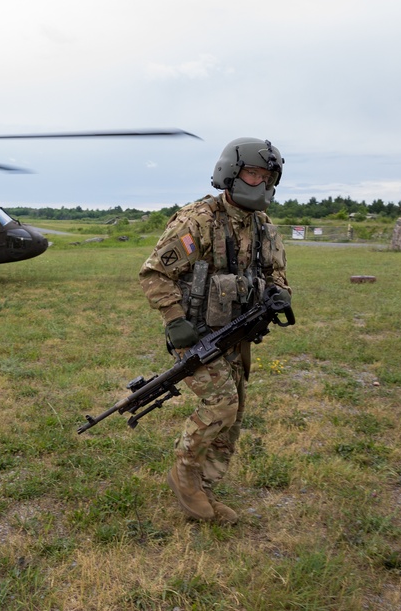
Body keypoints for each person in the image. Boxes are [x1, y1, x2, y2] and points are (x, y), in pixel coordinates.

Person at [139, 137, 292, 524]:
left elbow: (277, 275)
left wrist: (278, 295)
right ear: (231, 172)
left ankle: (204, 486)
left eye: (267, 176)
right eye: (253, 173)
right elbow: (155, 273)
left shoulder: (264, 228)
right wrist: (175, 322)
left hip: (238, 334)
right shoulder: (198, 220)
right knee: (221, 404)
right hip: (197, 334)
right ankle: (185, 476)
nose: (261, 182)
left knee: (234, 412)